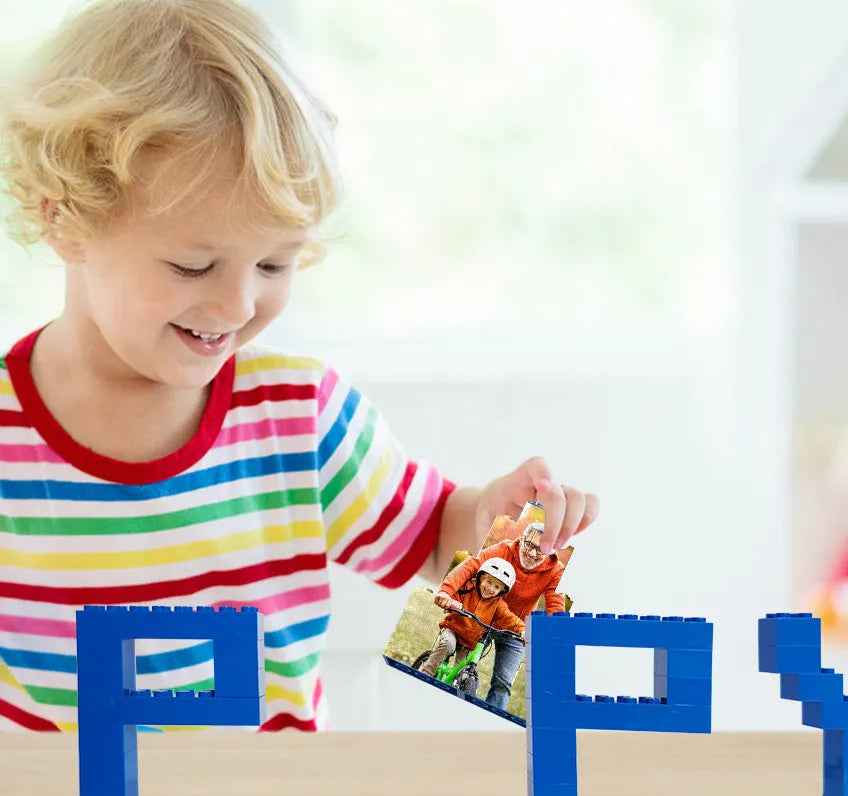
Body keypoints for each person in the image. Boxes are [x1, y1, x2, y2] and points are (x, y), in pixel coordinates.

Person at [0, 0, 598, 732]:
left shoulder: (299, 416)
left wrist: (495, 519)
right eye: (192, 265)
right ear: (65, 219)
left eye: (274, 262)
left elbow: (435, 539)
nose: (237, 302)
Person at [437, 522, 564, 711]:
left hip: (516, 628)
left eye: (540, 550)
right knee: (463, 667)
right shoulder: (503, 549)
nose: (531, 553)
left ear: (551, 551)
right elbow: (471, 565)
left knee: (503, 683)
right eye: (529, 544)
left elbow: (555, 603)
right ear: (521, 539)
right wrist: (446, 592)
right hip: (483, 618)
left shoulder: (555, 570)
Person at [419, 557, 524, 681]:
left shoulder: (498, 605)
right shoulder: (468, 589)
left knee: (461, 672)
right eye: (489, 582)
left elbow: (510, 619)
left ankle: (452, 688)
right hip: (453, 630)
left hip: (470, 643)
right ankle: (425, 673)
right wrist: (450, 601)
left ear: (502, 591)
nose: (490, 588)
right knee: (447, 644)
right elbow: (452, 594)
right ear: (481, 578)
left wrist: (523, 629)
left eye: (496, 587)